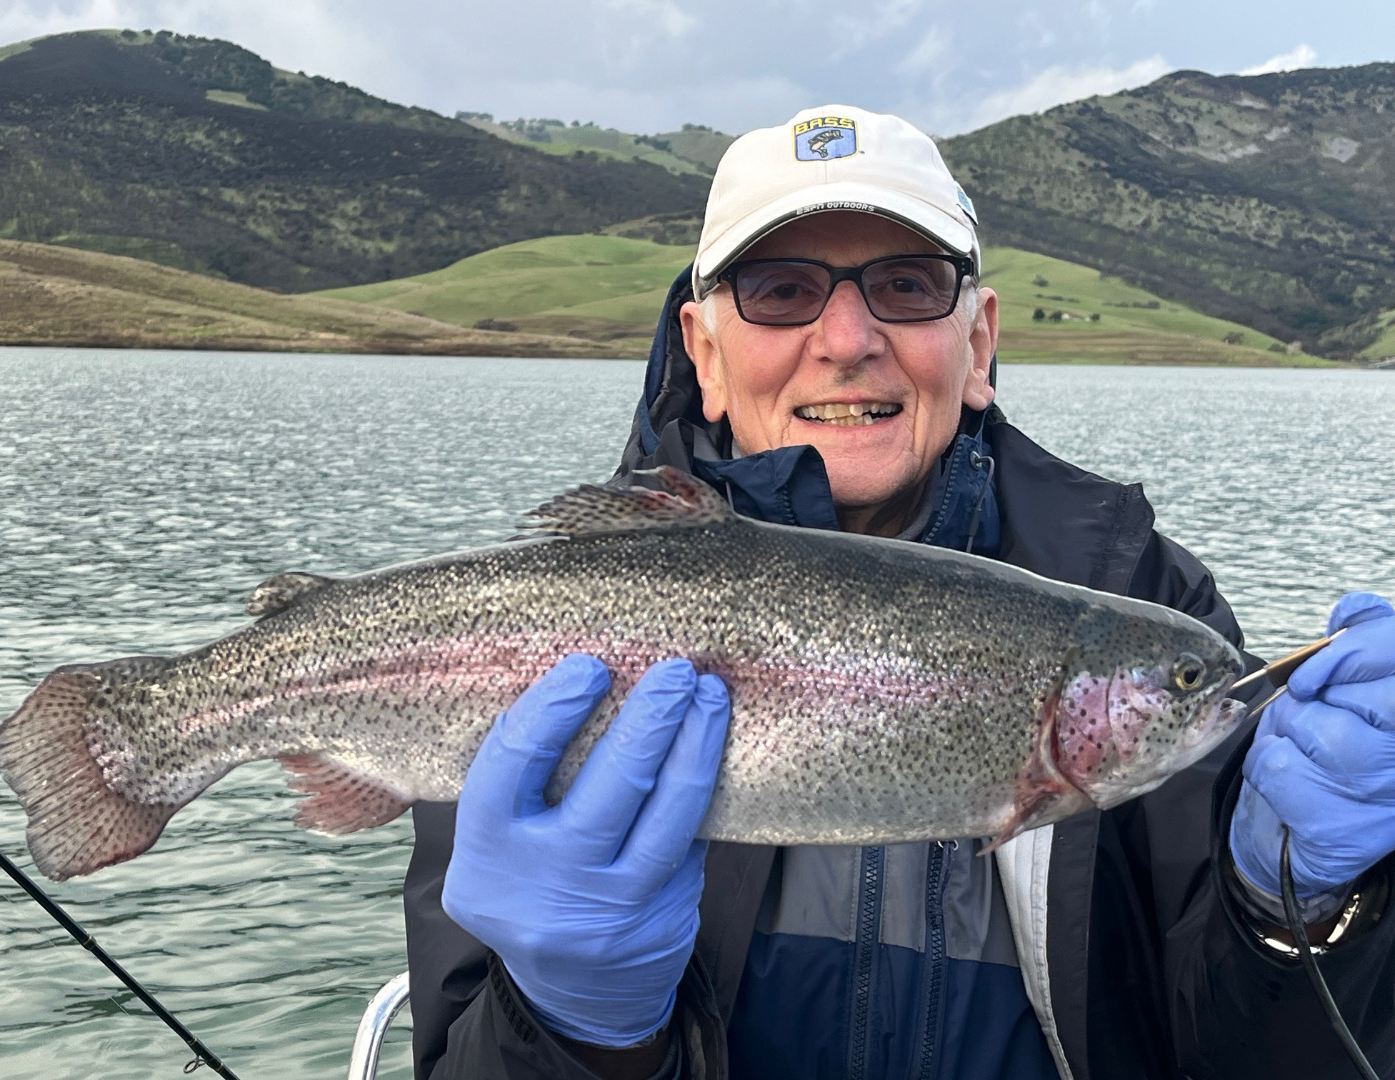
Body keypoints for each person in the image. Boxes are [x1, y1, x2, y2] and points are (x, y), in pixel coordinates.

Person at [403, 105, 1395, 1080]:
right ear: (703, 352)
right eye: (782, 290)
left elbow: (1259, 1053)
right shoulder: (540, 624)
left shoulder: (1139, 595)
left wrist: (1304, 913)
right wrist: (575, 1030)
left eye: (906, 286)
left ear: (980, 345)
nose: (845, 339)